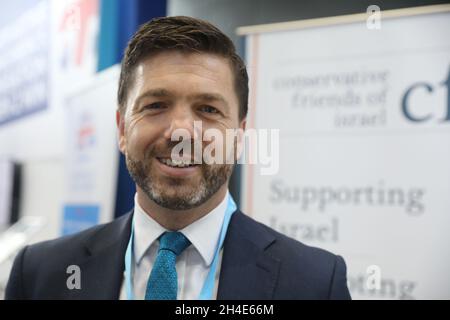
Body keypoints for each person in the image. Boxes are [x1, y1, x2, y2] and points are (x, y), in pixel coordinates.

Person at [5, 16, 351, 300]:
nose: (181, 132)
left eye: (208, 109)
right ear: (122, 129)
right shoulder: (40, 274)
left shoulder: (315, 283)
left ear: (240, 135)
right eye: (155, 105)